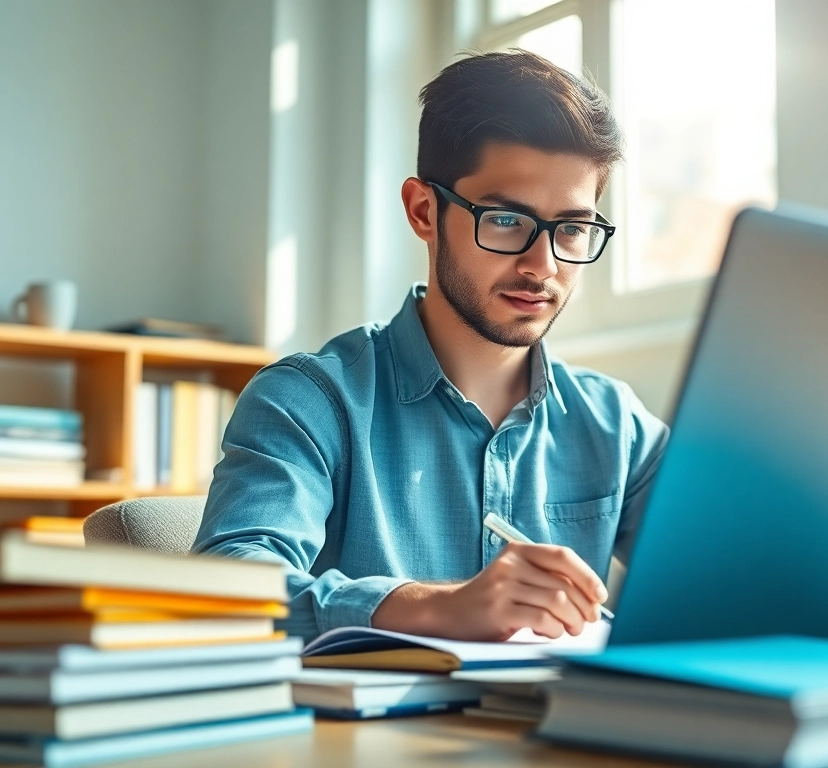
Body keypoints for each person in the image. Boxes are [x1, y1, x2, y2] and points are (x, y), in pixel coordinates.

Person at [193, 50, 669, 643]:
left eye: (572, 229)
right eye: (506, 220)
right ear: (424, 211)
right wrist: (434, 607)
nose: (542, 265)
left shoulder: (615, 424)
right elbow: (227, 586)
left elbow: (728, 578)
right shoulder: (307, 402)